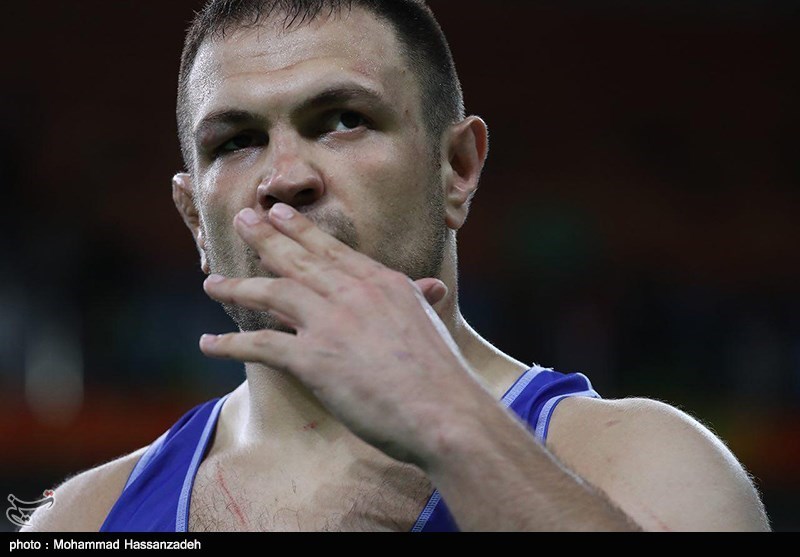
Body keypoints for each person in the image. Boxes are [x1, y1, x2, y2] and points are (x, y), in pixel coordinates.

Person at [23, 0, 770, 532]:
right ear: (194, 217)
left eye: (343, 119)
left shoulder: (646, 461)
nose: (284, 176)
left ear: (458, 169)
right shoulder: (85, 516)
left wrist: (451, 424)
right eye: (235, 140)